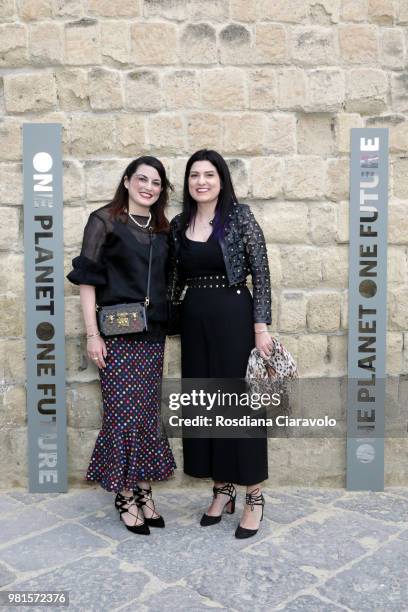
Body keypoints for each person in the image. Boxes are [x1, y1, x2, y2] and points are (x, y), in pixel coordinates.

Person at [67, 156, 176, 535]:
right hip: (115, 334)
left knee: (145, 412)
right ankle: (125, 493)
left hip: (152, 333)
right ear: (127, 181)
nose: (148, 187)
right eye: (142, 179)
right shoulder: (105, 220)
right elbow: (86, 280)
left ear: (162, 190)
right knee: (120, 413)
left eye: (156, 183)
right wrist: (92, 334)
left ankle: (144, 487)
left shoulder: (163, 229)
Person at [168, 149, 273, 538]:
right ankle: (222, 490)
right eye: (194, 175)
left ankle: (254, 497)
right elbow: (172, 280)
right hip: (195, 321)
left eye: (209, 174)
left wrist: (261, 328)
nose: (201, 181)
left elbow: (261, 273)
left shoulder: (240, 217)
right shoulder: (180, 224)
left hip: (234, 317)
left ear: (221, 179)